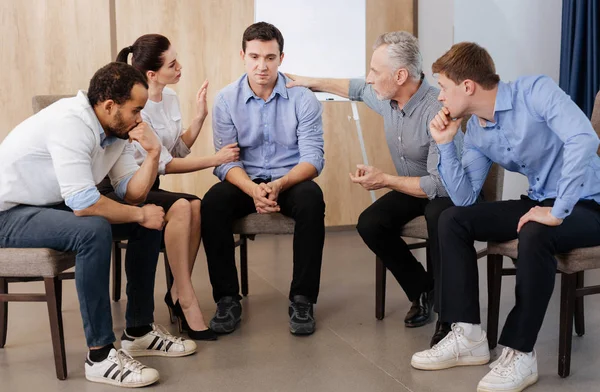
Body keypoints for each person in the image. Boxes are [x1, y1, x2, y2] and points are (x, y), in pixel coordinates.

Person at [410, 42, 600, 392]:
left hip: (589, 204)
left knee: (535, 231)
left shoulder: (536, 91)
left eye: (443, 87)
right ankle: (467, 335)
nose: (439, 98)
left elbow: (584, 138)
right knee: (453, 220)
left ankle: (521, 352)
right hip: (540, 201)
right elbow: (466, 199)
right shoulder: (478, 131)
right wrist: (447, 144)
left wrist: (558, 210)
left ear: (467, 86)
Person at [0, 62, 196, 387]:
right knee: (93, 229)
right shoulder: (71, 124)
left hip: (46, 205)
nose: (140, 119)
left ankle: (139, 331)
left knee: (147, 219)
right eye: (136, 110)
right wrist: (138, 213)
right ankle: (100, 355)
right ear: (110, 106)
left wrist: (152, 155)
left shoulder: (114, 132)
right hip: (8, 214)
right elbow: (84, 204)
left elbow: (131, 193)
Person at [287, 31, 461, 340]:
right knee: (370, 223)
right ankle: (423, 290)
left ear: (400, 75)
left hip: (447, 192)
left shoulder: (437, 109)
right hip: (412, 187)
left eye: (374, 72)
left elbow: (439, 184)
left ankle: (449, 320)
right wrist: (308, 81)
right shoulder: (388, 98)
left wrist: (383, 180)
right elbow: (353, 88)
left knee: (438, 216)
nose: (369, 78)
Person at [201, 22, 325, 336]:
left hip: (290, 180)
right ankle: (227, 299)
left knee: (312, 199)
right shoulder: (226, 100)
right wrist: (253, 189)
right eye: (255, 56)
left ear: (281, 58)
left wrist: (279, 185)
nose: (262, 65)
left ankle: (302, 299)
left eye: (269, 57)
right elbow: (224, 162)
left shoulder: (303, 98)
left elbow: (313, 159)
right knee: (213, 202)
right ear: (243, 56)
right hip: (246, 180)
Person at [115, 34, 240, 341]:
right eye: (173, 64)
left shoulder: (169, 98)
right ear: (151, 75)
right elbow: (164, 164)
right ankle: (185, 296)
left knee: (197, 204)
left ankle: (177, 291)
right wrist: (216, 158)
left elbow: (177, 150)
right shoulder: (137, 109)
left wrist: (199, 118)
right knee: (185, 205)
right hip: (131, 188)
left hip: (151, 184)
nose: (180, 67)